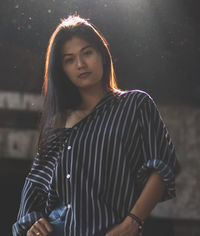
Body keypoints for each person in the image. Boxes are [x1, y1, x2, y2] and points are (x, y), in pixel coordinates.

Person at [12, 14, 177, 236]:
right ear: (62, 69)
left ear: (101, 54)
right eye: (69, 59)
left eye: (87, 53)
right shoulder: (58, 122)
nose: (80, 64)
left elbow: (162, 166)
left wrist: (132, 223)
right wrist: (32, 223)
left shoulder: (134, 104)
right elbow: (34, 188)